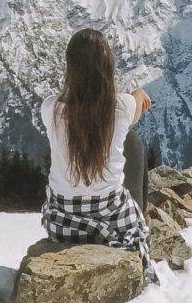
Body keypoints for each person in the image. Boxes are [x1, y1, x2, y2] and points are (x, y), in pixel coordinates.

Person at [39, 28, 155, 276]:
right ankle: (142, 221)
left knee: (128, 141)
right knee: (133, 144)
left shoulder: (50, 109)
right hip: (113, 219)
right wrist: (139, 93)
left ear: (70, 68)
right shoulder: (121, 107)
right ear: (108, 67)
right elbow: (134, 106)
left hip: (62, 221)